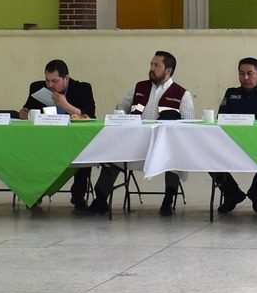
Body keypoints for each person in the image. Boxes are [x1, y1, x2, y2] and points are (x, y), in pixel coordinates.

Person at [90, 50, 193, 216]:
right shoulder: (138, 87)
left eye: (156, 65)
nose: (151, 68)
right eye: (151, 64)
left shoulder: (182, 94)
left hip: (164, 145)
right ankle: (101, 198)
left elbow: (187, 126)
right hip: (133, 144)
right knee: (113, 152)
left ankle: (168, 199)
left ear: (168, 70)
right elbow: (119, 109)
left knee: (174, 156)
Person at [19, 60, 98, 210]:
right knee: (31, 151)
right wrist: (24, 114)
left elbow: (89, 115)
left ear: (66, 78)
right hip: (45, 139)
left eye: (55, 81)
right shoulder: (38, 88)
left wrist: (65, 105)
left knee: (85, 151)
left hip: (74, 139)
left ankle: (78, 196)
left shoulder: (82, 89)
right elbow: (27, 111)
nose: (50, 85)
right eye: (47, 80)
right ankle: (35, 193)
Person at [212, 57, 257, 213]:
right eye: (242, 74)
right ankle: (232, 193)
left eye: (250, 73)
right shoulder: (231, 93)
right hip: (233, 142)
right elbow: (221, 117)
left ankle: (256, 192)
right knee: (207, 154)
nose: (246, 78)